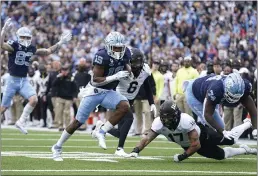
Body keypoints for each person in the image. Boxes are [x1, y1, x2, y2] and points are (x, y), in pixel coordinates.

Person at [51, 31, 131, 161]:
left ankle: (101, 131)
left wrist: (129, 71)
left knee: (124, 106)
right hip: (94, 91)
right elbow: (95, 80)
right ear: (108, 46)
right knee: (78, 122)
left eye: (120, 47)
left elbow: (126, 63)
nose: (118, 50)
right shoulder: (102, 56)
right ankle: (57, 146)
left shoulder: (126, 52)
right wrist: (115, 76)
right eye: (115, 47)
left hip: (109, 92)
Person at [0, 18, 72, 134]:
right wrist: (3, 31)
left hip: (24, 80)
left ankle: (21, 122)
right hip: (12, 80)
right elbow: (1, 44)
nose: (25, 40)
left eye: (28, 37)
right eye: (23, 37)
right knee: (3, 108)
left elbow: (47, 51)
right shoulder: (13, 45)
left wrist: (60, 43)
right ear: (18, 37)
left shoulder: (31, 48)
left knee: (33, 100)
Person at [128, 101, 256, 162]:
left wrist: (182, 156)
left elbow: (196, 144)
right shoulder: (158, 123)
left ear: (177, 115)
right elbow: (147, 138)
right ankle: (246, 150)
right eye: (164, 118)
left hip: (204, 136)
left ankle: (248, 123)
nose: (166, 121)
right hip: (189, 145)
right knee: (222, 156)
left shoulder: (185, 120)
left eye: (169, 117)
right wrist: (136, 150)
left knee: (230, 139)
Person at [106, 47, 156, 156]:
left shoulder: (146, 70)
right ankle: (119, 149)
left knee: (120, 133)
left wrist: (151, 102)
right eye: (132, 62)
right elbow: (111, 84)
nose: (134, 65)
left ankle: (101, 127)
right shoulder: (121, 69)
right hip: (119, 98)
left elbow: (147, 87)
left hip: (130, 100)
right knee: (129, 118)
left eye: (137, 62)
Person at [184, 72, 257, 139]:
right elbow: (207, 115)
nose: (235, 100)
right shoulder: (216, 90)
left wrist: (255, 129)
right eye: (232, 96)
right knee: (210, 124)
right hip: (194, 93)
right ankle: (200, 142)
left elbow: (253, 111)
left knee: (219, 127)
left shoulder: (246, 86)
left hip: (209, 90)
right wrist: (223, 132)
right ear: (225, 89)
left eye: (238, 97)